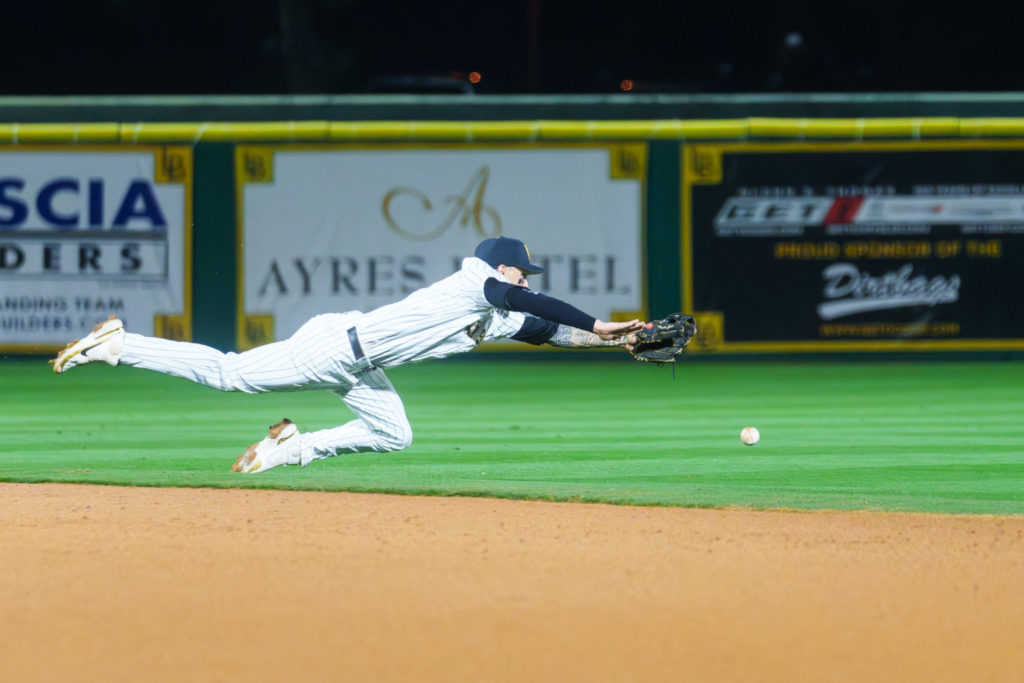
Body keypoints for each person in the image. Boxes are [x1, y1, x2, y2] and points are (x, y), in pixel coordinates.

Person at [51, 236, 645, 473]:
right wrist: (598, 317)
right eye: (520, 267)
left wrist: (615, 340)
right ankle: (122, 344)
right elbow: (523, 296)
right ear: (500, 264)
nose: (524, 275)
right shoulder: (475, 281)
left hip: (359, 362)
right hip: (333, 350)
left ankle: (295, 445)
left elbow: (545, 329)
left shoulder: (498, 307)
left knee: (395, 435)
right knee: (231, 374)